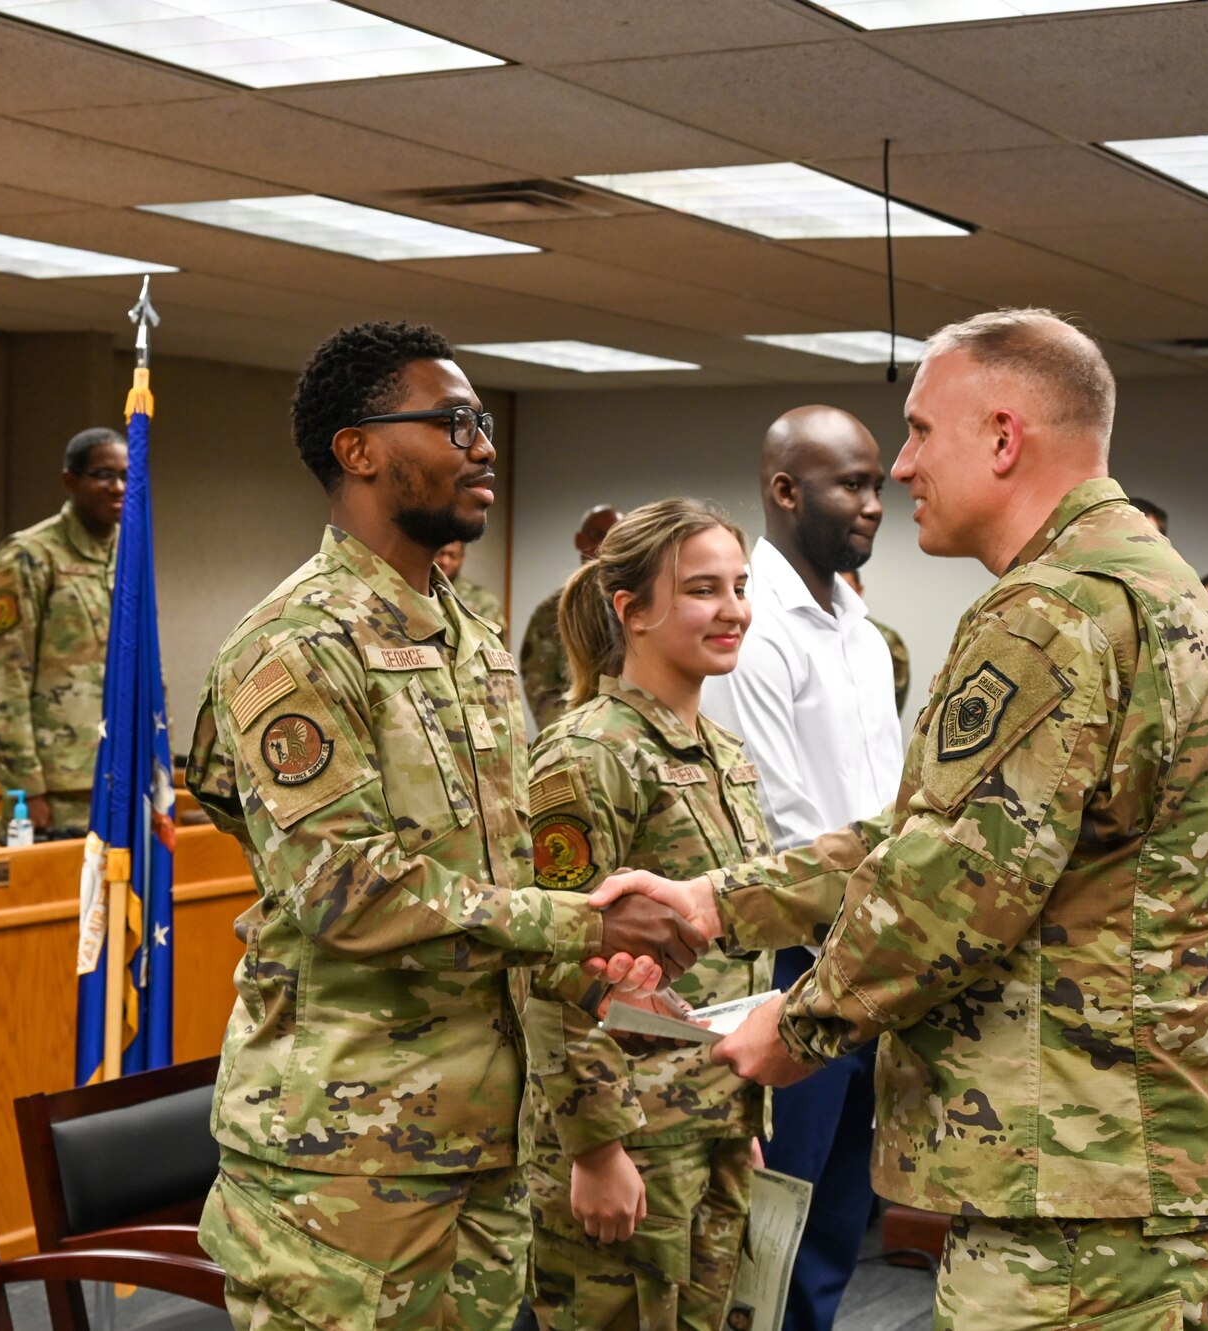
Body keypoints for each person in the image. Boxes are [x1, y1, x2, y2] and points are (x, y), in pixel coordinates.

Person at [594, 311, 1208, 1330]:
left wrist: (794, 1027)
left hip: (1082, 1177)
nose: (906, 465)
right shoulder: (1147, 588)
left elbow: (950, 888)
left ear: (1003, 438)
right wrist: (715, 897)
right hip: (1140, 1152)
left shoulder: (1047, 614)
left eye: (920, 433)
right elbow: (917, 831)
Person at [184, 321, 706, 1331]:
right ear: (359, 449)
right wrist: (582, 925)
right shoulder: (297, 642)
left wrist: (600, 996)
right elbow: (340, 889)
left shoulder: (467, 633)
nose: (483, 446)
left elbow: (501, 870)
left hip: (480, 1132)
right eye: (454, 422)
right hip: (345, 1154)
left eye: (484, 424)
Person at [522, 499, 771, 1331]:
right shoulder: (589, 752)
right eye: (703, 589)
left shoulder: (724, 753)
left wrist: (743, 1114)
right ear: (630, 610)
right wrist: (594, 1146)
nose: (732, 607)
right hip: (629, 1136)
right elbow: (548, 962)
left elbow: (737, 956)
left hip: (712, 1120)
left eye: (739, 585)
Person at [702, 406, 904, 1331]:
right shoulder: (756, 629)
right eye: (850, 484)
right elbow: (775, 824)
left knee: (836, 1220)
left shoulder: (861, 632)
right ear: (785, 490)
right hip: (796, 962)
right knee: (770, 1223)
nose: (874, 501)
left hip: (871, 960)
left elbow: (895, 808)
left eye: (875, 481)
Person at [0, 426, 125, 840]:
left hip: (121, 779)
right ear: (69, 481)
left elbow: (147, 669)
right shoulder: (30, 554)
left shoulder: (129, 555)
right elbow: (2, 678)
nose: (118, 487)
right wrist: (26, 787)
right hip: (55, 791)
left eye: (127, 476)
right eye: (103, 474)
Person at [521, 504, 622, 733]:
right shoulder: (551, 613)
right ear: (580, 540)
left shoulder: (639, 605)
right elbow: (540, 689)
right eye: (598, 536)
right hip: (576, 733)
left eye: (615, 536)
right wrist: (574, 735)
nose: (605, 545)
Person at [841, 569, 908, 712]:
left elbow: (895, 699)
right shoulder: (816, 633)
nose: (838, 594)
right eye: (834, 586)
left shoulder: (885, 638)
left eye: (846, 587)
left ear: (859, 590)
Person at [434, 538, 503, 625]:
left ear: (462, 557)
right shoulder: (419, 593)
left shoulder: (483, 601)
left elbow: (493, 638)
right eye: (440, 554)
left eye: (453, 556)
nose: (445, 561)